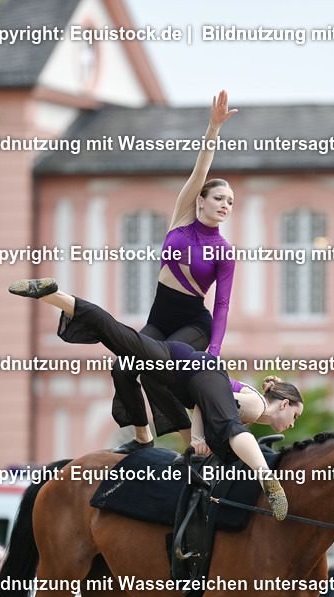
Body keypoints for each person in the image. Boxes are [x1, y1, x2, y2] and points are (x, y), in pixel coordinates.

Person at [8, 278, 303, 520]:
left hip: (178, 370)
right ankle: (266, 478)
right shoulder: (256, 405)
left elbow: (207, 401)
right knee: (229, 428)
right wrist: (198, 434)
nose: (292, 424)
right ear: (285, 403)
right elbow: (217, 401)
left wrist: (196, 436)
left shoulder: (249, 404)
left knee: (120, 338)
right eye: (295, 416)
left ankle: (55, 295)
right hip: (198, 371)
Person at [109, 90, 238, 454]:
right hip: (159, 318)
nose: (225, 205)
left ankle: (192, 440)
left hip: (194, 324)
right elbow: (201, 170)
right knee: (123, 367)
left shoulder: (225, 252)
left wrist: (213, 351)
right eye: (219, 198)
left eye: (231, 202)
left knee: (160, 363)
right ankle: (141, 436)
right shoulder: (182, 219)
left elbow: (223, 305)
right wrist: (213, 129)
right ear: (201, 200)